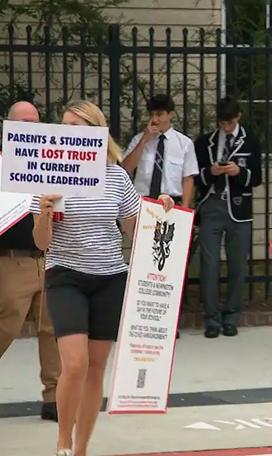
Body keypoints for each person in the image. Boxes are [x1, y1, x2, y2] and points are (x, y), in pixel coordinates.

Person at [31, 100, 173, 456]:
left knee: (96, 368)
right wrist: (45, 212)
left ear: (95, 133)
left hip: (110, 276)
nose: (68, 132)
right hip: (65, 274)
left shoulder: (115, 175)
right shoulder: (50, 175)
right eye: (64, 126)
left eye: (76, 126)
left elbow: (134, 228)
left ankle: (81, 449)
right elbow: (41, 243)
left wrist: (162, 207)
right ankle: (63, 441)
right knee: (75, 364)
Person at [0, 101, 61, 421]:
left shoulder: (52, 164)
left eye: (35, 120)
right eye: (23, 122)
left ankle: (53, 397)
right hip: (10, 260)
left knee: (52, 328)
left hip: (48, 258)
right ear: (8, 127)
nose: (30, 127)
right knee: (8, 325)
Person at [194, 96, 262, 338]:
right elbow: (196, 178)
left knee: (237, 265)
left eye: (230, 123)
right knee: (209, 265)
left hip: (239, 209)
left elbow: (256, 179)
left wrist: (239, 172)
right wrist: (211, 172)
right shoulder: (205, 142)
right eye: (222, 123)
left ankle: (231, 316)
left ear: (238, 117)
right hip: (212, 206)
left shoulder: (250, 140)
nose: (226, 128)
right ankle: (211, 319)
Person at [121, 93, 199, 207]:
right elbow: (126, 168)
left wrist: (185, 208)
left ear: (170, 115)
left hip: (171, 202)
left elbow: (188, 178)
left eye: (159, 115)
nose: (154, 120)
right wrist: (144, 140)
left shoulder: (184, 143)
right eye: (152, 115)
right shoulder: (138, 139)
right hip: (142, 201)